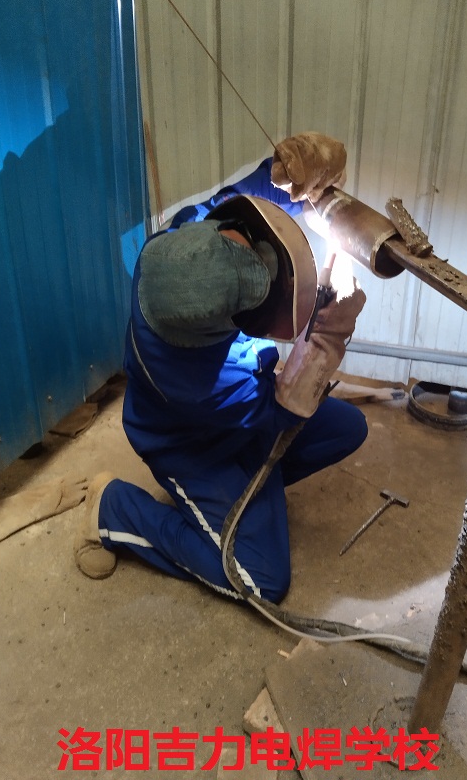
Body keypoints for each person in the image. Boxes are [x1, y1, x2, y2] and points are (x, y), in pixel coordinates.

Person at [73, 132, 368, 603]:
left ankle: (246, 500)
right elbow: (283, 409)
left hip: (237, 420)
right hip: (191, 448)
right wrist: (325, 341)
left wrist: (286, 176)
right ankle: (114, 511)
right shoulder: (202, 382)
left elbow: (234, 202)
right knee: (262, 579)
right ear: (224, 325)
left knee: (347, 428)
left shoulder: (176, 243)